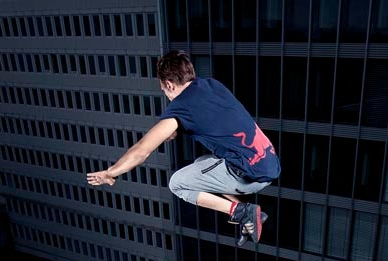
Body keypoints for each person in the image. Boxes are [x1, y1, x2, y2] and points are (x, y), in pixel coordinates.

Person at [86, 50, 280, 246]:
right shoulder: (212, 85)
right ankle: (248, 213)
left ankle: (241, 213)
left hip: (250, 176)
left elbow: (141, 150)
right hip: (269, 162)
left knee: (178, 183)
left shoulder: (180, 107)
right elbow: (214, 118)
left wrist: (110, 172)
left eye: (164, 90)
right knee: (201, 163)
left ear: (168, 85)